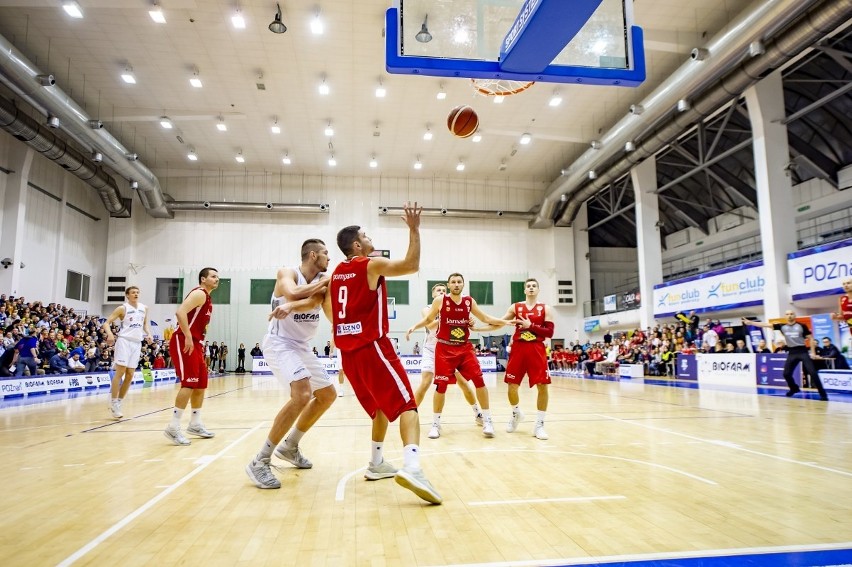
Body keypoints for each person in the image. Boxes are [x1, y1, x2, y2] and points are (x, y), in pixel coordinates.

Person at [329, 202, 442, 504]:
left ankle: (377, 462)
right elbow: (412, 265)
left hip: (349, 355)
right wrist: (414, 230)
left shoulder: (336, 273)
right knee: (408, 406)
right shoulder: (369, 264)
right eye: (365, 235)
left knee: (380, 408)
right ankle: (414, 467)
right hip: (373, 347)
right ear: (357, 244)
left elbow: (325, 305)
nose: (370, 238)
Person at [245, 239, 338, 490]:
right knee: (302, 394)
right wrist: (318, 286)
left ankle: (290, 445)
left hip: (302, 347)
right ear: (312, 255)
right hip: (280, 343)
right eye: (325, 254)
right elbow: (294, 292)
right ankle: (259, 461)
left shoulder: (323, 279)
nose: (329, 258)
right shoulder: (287, 273)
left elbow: (312, 301)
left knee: (328, 395)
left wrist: (294, 307)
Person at [407, 272, 514, 440]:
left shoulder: (469, 301)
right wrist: (414, 326)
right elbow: (429, 320)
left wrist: (504, 321)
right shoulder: (437, 303)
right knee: (436, 385)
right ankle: (432, 422)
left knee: (476, 381)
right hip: (440, 348)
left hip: (463, 348)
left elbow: (484, 317)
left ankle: (486, 419)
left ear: (463, 285)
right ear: (448, 285)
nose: (456, 284)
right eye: (453, 282)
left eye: (459, 282)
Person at [405, 282, 482, 425]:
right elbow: (430, 324)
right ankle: (411, 414)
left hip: (451, 350)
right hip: (431, 349)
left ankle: (478, 413)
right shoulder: (428, 309)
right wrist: (446, 315)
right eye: (438, 290)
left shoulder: (455, 306)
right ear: (433, 294)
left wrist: (468, 320)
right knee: (425, 383)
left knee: (463, 384)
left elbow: (465, 321)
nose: (441, 292)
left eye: (443, 290)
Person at [164, 267, 220, 445]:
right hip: (184, 340)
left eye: (217, 277)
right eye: (213, 276)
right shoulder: (200, 293)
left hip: (197, 344)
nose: (216, 279)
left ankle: (195, 423)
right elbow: (180, 312)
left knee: (201, 383)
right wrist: (188, 336)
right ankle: (173, 428)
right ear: (203, 279)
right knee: (189, 382)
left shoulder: (207, 297)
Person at [496, 278, 554, 440]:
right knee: (512, 386)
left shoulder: (545, 308)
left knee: (542, 386)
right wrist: (481, 324)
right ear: (524, 290)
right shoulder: (516, 307)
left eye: (534, 286)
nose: (531, 288)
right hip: (519, 349)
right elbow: (501, 321)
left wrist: (531, 326)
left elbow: (549, 333)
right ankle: (516, 413)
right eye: (528, 286)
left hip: (536, 348)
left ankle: (539, 425)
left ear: (538, 289)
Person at [744, 311, 827, 400]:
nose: (790, 316)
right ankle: (794, 388)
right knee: (786, 374)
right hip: (792, 352)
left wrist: (813, 352)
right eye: (787, 314)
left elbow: (811, 339)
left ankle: (823, 394)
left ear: (794, 316)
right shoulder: (782, 326)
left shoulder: (802, 326)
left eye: (791, 314)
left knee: (813, 373)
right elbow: (766, 325)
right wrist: (751, 323)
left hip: (802, 351)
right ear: (785, 316)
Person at [102, 286, 151, 419]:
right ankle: (113, 401)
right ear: (127, 295)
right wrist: (110, 335)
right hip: (124, 341)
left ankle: (119, 402)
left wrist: (149, 334)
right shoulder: (122, 308)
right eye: (133, 292)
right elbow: (106, 323)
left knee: (130, 375)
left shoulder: (144, 308)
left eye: (137, 292)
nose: (136, 294)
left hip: (137, 342)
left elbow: (145, 324)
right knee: (121, 372)